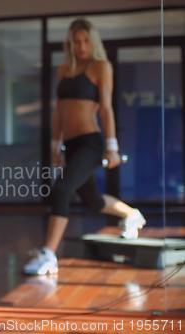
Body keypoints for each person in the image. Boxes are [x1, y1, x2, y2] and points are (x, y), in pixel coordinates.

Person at [23, 19, 146, 276]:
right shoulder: (63, 69)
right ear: (70, 43)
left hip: (91, 143)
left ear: (93, 42)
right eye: (76, 41)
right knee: (92, 201)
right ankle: (132, 215)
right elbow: (59, 112)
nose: (81, 46)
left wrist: (112, 147)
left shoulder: (101, 67)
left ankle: (48, 255)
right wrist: (56, 145)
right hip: (71, 143)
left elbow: (106, 108)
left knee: (61, 190)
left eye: (85, 41)